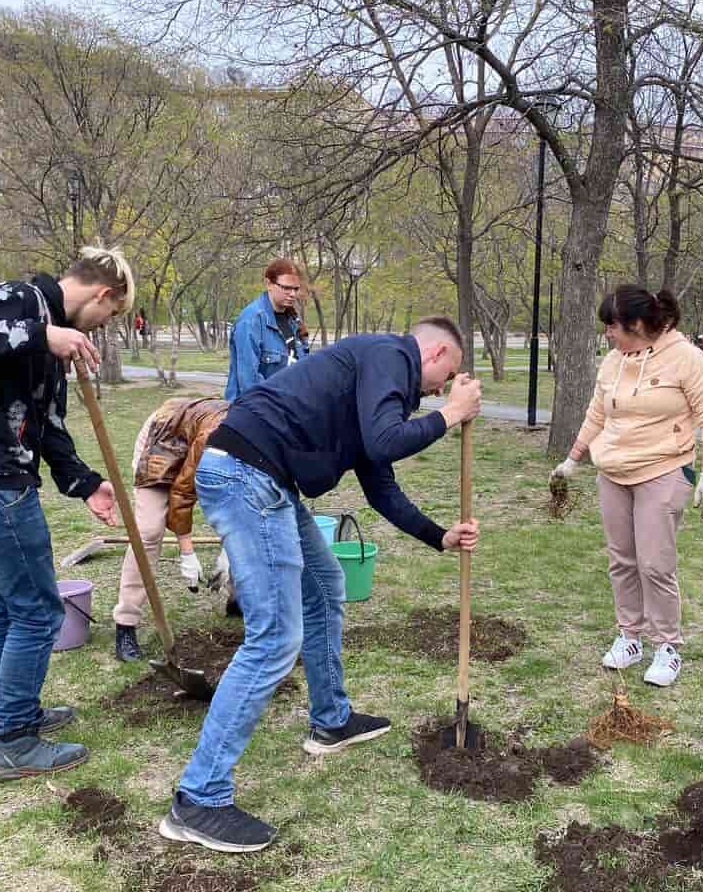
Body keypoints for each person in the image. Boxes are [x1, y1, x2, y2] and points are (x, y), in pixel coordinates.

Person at [159, 317, 482, 853]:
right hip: (246, 475)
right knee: (273, 639)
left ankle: (331, 721)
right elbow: (386, 442)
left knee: (326, 584)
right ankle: (199, 798)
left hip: (267, 481)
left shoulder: (379, 387)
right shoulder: (389, 355)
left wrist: (438, 535)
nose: (442, 389)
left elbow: (380, 479)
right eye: (446, 377)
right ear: (438, 351)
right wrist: (451, 416)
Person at [0, 246, 134, 782]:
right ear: (102, 294)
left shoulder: (52, 343)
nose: (103, 325)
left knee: (8, 604)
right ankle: (13, 744)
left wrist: (86, 484)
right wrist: (44, 335)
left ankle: (7, 715)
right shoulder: (22, 301)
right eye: (110, 315)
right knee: (38, 612)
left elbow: (45, 425)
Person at [549, 286, 703, 688]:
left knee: (654, 563)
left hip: (663, 470)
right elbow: (597, 413)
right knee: (621, 559)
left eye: (613, 326)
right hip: (613, 472)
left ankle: (667, 645)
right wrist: (572, 459)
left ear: (640, 324)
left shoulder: (686, 358)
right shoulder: (613, 362)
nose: (608, 334)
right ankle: (630, 636)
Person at [112, 396, 230, 662]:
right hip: (163, 441)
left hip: (195, 433)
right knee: (149, 531)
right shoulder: (214, 437)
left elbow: (242, 505)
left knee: (246, 530)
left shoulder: (259, 448)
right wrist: (187, 554)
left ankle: (238, 600)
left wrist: (229, 553)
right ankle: (126, 623)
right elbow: (183, 493)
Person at [224, 258, 311, 399]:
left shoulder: (294, 321)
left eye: (296, 288)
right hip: (255, 411)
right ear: (269, 284)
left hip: (290, 409)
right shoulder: (250, 321)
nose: (293, 294)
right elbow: (249, 382)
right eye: (286, 288)